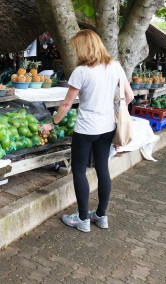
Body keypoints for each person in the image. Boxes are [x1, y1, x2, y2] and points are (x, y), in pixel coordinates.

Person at [40, 30, 134, 232]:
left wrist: (52, 124)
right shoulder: (115, 66)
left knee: (80, 170)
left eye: (77, 48)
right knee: (102, 169)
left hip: (86, 128)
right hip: (108, 127)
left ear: (83, 48)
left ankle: (82, 218)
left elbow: (66, 105)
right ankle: (101, 216)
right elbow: (129, 96)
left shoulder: (82, 71)